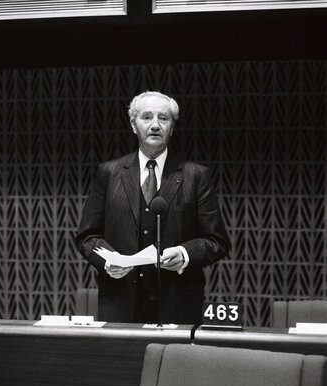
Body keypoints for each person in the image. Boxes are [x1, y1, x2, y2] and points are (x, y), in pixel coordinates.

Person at [75, 91, 230, 324]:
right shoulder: (108, 173)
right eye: (147, 117)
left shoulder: (196, 175)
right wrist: (108, 260)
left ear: (172, 126)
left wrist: (185, 254)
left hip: (178, 304)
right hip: (120, 302)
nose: (155, 125)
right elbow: (87, 236)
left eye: (163, 118)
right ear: (133, 125)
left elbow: (217, 241)